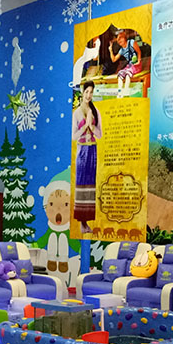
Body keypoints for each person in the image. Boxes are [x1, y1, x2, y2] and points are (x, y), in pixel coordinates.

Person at [72, 81, 102, 236]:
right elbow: (73, 136)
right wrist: (85, 126)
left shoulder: (96, 111)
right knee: (81, 183)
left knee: (90, 184)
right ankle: (82, 222)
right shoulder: (77, 113)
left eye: (91, 92)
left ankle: (87, 221)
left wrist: (92, 126)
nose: (89, 95)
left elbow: (99, 134)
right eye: (87, 92)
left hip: (92, 150)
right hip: (82, 150)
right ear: (82, 93)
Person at [110, 30, 142, 97]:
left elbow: (139, 52)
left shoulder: (132, 42)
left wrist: (139, 61)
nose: (119, 41)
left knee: (127, 74)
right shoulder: (121, 50)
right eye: (118, 40)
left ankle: (126, 91)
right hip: (129, 66)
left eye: (120, 38)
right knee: (120, 74)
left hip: (136, 65)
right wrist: (110, 50)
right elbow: (114, 59)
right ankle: (119, 92)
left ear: (124, 38)